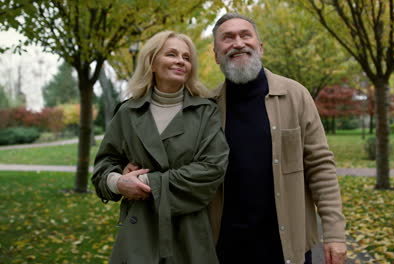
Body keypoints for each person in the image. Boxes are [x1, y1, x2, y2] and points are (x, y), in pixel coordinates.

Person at [208, 13, 347, 264]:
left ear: (260, 47)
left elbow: (321, 167)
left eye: (245, 35)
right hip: (224, 249)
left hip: (286, 247)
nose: (238, 43)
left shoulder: (295, 95)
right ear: (216, 54)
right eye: (227, 38)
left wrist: (335, 234)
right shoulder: (206, 107)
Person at [92, 31, 229, 264]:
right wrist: (117, 183)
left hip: (189, 233)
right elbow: (103, 167)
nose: (181, 61)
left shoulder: (206, 111)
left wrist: (146, 183)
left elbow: (212, 168)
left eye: (186, 58)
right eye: (172, 54)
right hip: (139, 232)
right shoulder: (128, 112)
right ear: (152, 62)